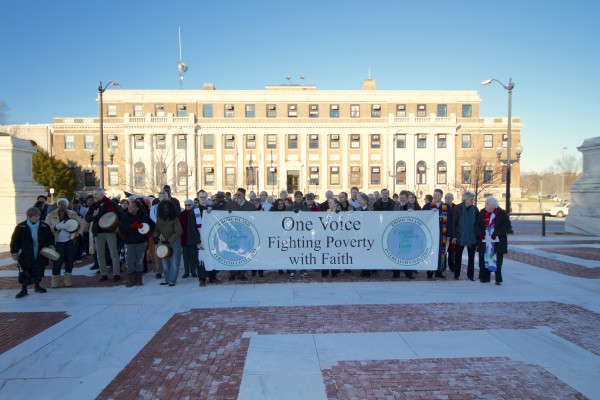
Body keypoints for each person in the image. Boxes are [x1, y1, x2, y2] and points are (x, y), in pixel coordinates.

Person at [10, 207, 54, 298]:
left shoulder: (44, 226)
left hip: (39, 252)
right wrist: (14, 252)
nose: (36, 218)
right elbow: (15, 240)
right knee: (24, 270)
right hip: (26, 253)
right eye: (33, 216)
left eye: (37, 216)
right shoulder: (21, 227)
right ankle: (24, 289)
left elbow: (50, 238)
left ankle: (37, 286)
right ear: (29, 217)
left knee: (38, 269)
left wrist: (51, 246)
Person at [45, 198, 85, 288]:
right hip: (57, 242)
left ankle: (67, 280)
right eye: (60, 204)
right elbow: (46, 227)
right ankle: (54, 281)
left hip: (70, 240)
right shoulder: (51, 215)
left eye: (63, 204)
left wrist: (77, 233)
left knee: (69, 261)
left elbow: (82, 223)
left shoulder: (72, 214)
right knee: (57, 261)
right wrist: (56, 227)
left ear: (67, 206)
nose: (61, 206)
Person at [85, 188, 122, 282]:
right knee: (100, 254)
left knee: (113, 253)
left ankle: (116, 273)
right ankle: (103, 273)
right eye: (94, 195)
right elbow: (87, 219)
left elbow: (121, 214)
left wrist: (117, 223)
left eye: (96, 195)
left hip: (110, 231)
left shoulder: (111, 203)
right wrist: (93, 215)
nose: (94, 196)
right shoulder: (93, 206)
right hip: (98, 232)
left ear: (102, 195)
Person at [118, 199, 155, 287]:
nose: (130, 208)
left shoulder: (143, 216)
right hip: (129, 242)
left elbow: (153, 225)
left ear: (137, 208)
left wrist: (147, 233)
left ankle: (139, 279)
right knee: (129, 261)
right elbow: (122, 229)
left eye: (132, 206)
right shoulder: (125, 217)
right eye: (129, 206)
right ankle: (131, 279)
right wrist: (131, 226)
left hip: (141, 242)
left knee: (139, 261)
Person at [475, 197, 509, 285]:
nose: (485, 205)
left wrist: (496, 233)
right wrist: (480, 234)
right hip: (485, 241)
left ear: (493, 205)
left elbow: (506, 226)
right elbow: (477, 225)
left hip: (497, 242)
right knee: (483, 260)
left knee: (497, 260)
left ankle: (498, 279)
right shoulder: (482, 213)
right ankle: (484, 277)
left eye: (487, 203)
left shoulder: (502, 213)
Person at [227, 188, 257, 280]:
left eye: (239, 194)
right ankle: (232, 273)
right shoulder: (230, 204)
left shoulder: (250, 206)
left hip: (245, 233)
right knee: (232, 253)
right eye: (236, 194)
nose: (238, 196)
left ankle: (242, 274)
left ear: (244, 195)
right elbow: (220, 214)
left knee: (244, 253)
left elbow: (255, 218)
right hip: (232, 233)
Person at [422, 189, 452, 279]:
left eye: (437, 195)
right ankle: (429, 271)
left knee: (441, 252)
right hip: (430, 233)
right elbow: (421, 216)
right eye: (434, 195)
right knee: (431, 251)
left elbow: (450, 221)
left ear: (441, 196)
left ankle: (439, 271)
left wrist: (449, 235)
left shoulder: (446, 207)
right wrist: (430, 212)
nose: (435, 197)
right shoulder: (428, 206)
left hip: (442, 234)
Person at [154, 200, 183, 286]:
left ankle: (172, 280)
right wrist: (155, 236)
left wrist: (170, 240)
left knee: (174, 261)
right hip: (164, 241)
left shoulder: (175, 219)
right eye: (164, 208)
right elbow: (156, 230)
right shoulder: (159, 219)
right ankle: (167, 279)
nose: (165, 209)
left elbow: (178, 231)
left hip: (175, 241)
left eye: (167, 208)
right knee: (165, 261)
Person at [452, 191, 479, 281]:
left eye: (473, 199)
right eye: (471, 199)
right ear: (465, 199)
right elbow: (454, 223)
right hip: (460, 236)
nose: (472, 201)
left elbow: (477, 223)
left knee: (471, 258)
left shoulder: (475, 209)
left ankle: (470, 276)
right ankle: (456, 275)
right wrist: (454, 236)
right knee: (458, 257)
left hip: (472, 236)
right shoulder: (458, 208)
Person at [180, 199, 203, 283]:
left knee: (194, 256)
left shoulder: (195, 213)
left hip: (193, 238)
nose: (187, 206)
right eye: (186, 205)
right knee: (185, 256)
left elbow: (199, 225)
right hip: (184, 238)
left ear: (192, 205)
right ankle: (186, 272)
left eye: (189, 205)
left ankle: (193, 271)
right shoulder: (181, 214)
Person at [443, 192, 457, 274]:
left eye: (449, 197)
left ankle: (452, 267)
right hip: (445, 232)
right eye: (446, 197)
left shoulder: (456, 208)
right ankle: (443, 266)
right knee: (444, 251)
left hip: (454, 232)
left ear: (452, 199)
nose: (447, 199)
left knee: (452, 252)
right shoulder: (442, 206)